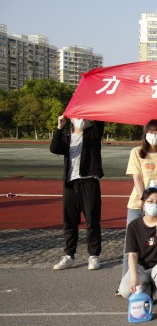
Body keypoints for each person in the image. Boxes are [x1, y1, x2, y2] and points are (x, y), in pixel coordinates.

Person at [121, 119, 157, 281]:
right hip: (137, 205)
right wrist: (144, 199)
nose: (154, 135)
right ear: (145, 134)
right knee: (130, 247)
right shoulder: (137, 152)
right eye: (151, 132)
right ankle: (126, 281)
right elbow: (137, 177)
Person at [50, 114, 104, 271]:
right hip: (70, 183)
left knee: (92, 220)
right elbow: (54, 148)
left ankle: (93, 256)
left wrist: (91, 109)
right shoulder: (67, 138)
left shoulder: (93, 134)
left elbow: (100, 120)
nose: (82, 119)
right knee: (70, 221)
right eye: (78, 117)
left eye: (85, 117)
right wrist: (59, 127)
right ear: (71, 119)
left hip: (89, 182)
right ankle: (69, 255)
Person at [117, 187, 157, 317]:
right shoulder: (134, 225)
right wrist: (134, 279)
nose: (154, 205)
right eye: (150, 201)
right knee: (125, 290)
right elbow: (132, 255)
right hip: (142, 267)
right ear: (143, 204)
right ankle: (147, 291)